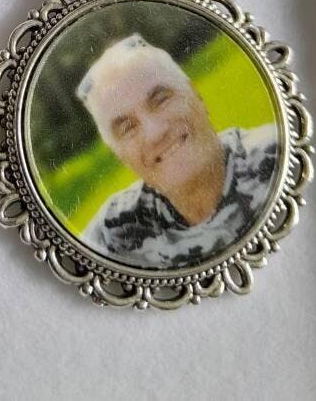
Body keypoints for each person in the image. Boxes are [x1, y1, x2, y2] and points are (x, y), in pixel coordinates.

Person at [77, 33, 278, 269]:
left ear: (195, 94)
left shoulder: (277, 157)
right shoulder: (111, 235)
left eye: (161, 99)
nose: (155, 132)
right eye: (127, 128)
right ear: (120, 155)